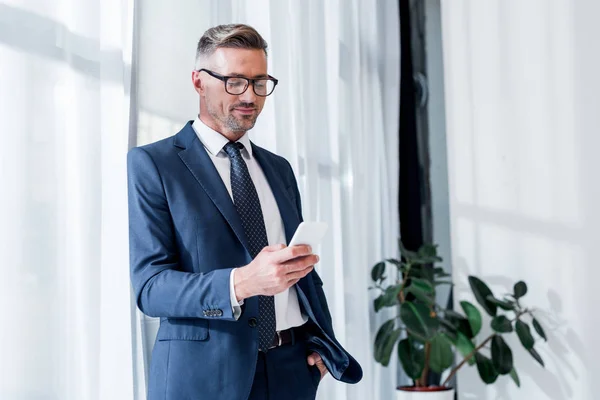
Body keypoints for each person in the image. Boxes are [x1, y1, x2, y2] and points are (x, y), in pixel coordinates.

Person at [127, 24, 362, 400]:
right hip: (204, 376)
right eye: (234, 81)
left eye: (259, 82)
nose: (249, 95)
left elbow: (303, 276)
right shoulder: (154, 164)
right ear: (198, 82)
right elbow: (151, 289)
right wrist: (241, 283)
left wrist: (320, 342)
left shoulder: (279, 168)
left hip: (292, 370)